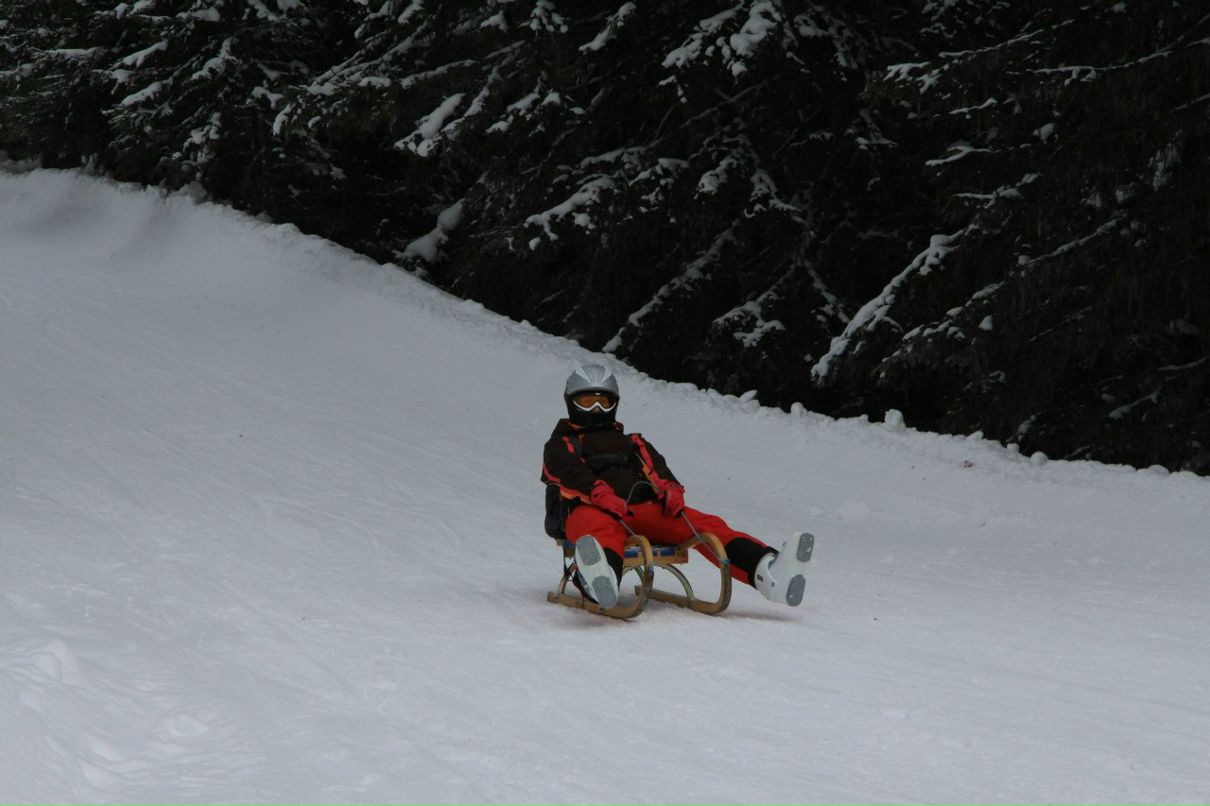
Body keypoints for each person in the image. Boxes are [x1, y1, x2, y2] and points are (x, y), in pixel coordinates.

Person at [541, 363, 813, 609]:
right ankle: (600, 579)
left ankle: (770, 572)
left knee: (706, 524)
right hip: (589, 510)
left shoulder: (632, 442)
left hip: (640, 509)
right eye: (587, 401)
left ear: (615, 403)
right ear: (571, 403)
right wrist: (598, 492)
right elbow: (566, 470)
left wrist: (670, 490)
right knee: (597, 531)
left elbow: (658, 469)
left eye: (603, 401)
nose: (596, 409)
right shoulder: (561, 443)